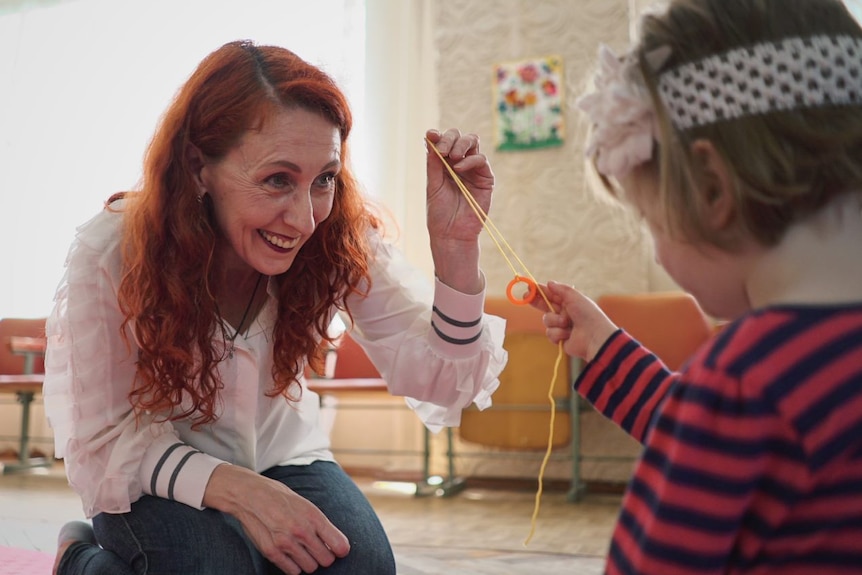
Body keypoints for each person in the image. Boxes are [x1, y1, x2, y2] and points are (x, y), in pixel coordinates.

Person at [44, 39, 507, 575]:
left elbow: (445, 383)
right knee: (214, 566)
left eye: (324, 180)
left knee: (363, 568)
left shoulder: (338, 236)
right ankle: (80, 559)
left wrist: (456, 248)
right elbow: (103, 442)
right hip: (149, 464)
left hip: (283, 455)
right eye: (277, 180)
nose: (305, 219)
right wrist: (241, 492)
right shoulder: (115, 249)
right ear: (199, 167)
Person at [533, 0, 862, 573]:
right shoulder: (785, 379)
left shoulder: (746, 381)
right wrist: (609, 351)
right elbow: (737, 447)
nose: (656, 246)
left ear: (712, 189)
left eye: (649, 223)